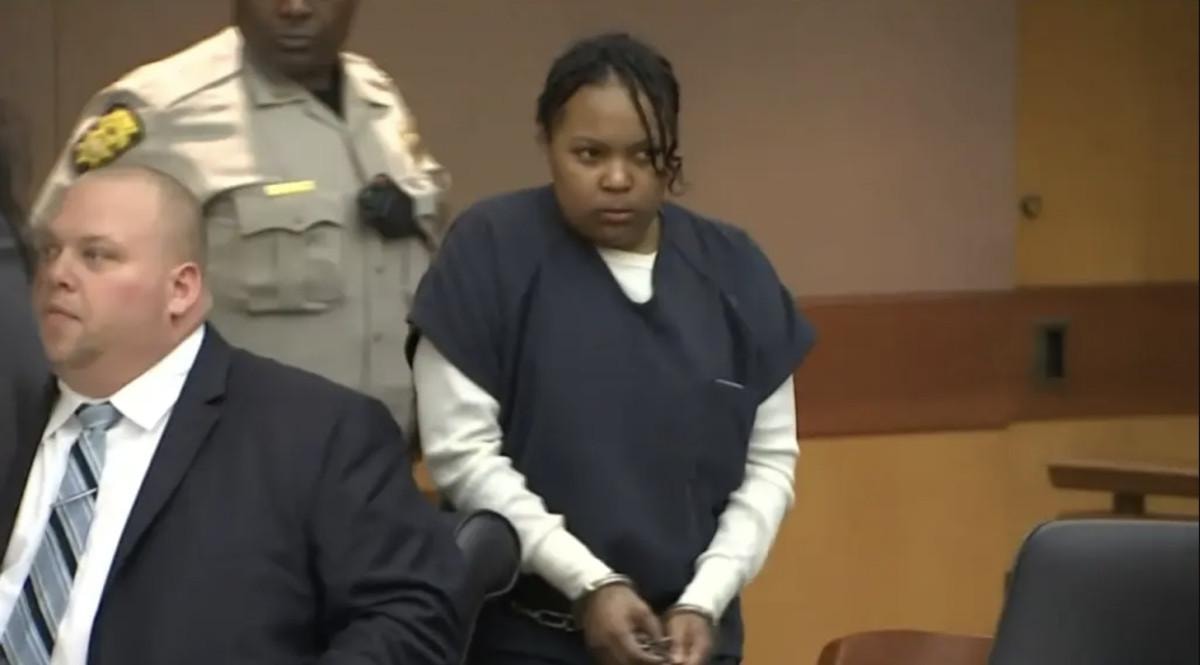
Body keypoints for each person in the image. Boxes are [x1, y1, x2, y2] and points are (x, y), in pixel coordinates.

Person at [408, 33, 815, 665]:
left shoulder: (735, 268)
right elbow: (462, 455)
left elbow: (769, 464)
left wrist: (705, 599)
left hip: (691, 640)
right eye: (589, 154)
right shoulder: (489, 251)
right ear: (547, 144)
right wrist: (588, 584)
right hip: (526, 639)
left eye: (644, 155)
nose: (617, 179)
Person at [0, 166, 464, 664]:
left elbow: (411, 623)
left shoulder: (314, 435)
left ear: (181, 289)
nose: (57, 274)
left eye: (96, 255)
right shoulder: (15, 420)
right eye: (50, 251)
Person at [28, 0, 448, 439]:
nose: (294, 7)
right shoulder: (166, 110)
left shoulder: (376, 98)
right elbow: (57, 268)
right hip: (237, 451)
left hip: (386, 448)